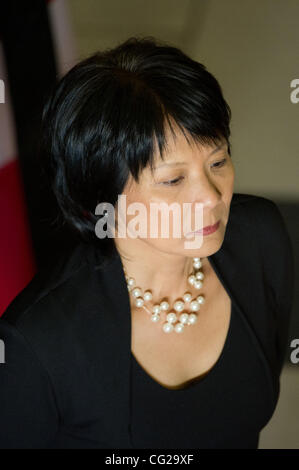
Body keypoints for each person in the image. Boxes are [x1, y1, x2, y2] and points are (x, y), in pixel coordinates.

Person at [0, 36, 294, 449]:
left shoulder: (260, 238)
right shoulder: (37, 342)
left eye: (219, 161)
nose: (211, 197)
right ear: (102, 193)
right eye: (173, 180)